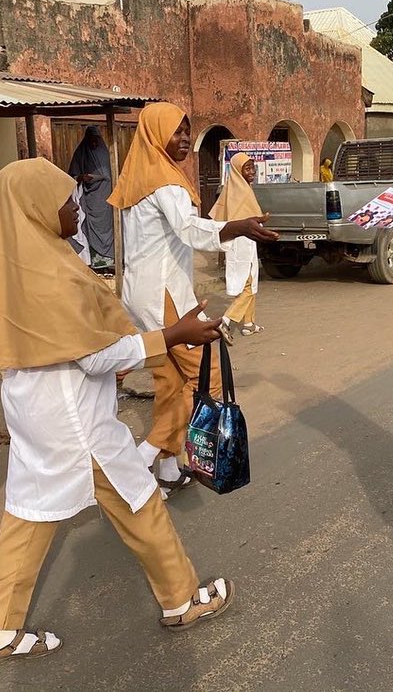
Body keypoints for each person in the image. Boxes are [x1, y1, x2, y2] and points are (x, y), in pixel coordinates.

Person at [0, 158, 234, 667]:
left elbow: (74, 345)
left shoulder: (20, 264)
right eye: (66, 201)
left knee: (28, 514)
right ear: (35, 211)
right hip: (76, 420)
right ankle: (181, 601)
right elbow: (91, 354)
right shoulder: (49, 274)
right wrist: (171, 337)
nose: (77, 208)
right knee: (139, 501)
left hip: (35, 413)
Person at [107, 103, 278, 498]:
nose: (184, 139)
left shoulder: (139, 174)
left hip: (142, 292)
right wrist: (237, 227)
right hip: (165, 295)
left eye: (188, 131)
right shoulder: (164, 181)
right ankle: (140, 459)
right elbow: (188, 229)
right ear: (155, 133)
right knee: (208, 375)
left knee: (169, 380)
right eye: (176, 131)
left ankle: (166, 467)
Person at [211, 153, 264, 344]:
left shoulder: (237, 188)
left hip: (245, 241)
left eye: (253, 168)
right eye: (247, 169)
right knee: (248, 284)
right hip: (241, 242)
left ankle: (249, 323)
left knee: (252, 280)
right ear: (237, 171)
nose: (252, 172)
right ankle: (226, 320)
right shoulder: (240, 192)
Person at [68, 125, 115, 269]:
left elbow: (111, 174)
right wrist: (81, 177)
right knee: (89, 227)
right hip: (89, 199)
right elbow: (71, 176)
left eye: (96, 140)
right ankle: (94, 260)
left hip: (105, 198)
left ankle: (108, 259)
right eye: (91, 141)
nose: (94, 144)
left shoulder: (105, 153)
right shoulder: (81, 153)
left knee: (106, 228)